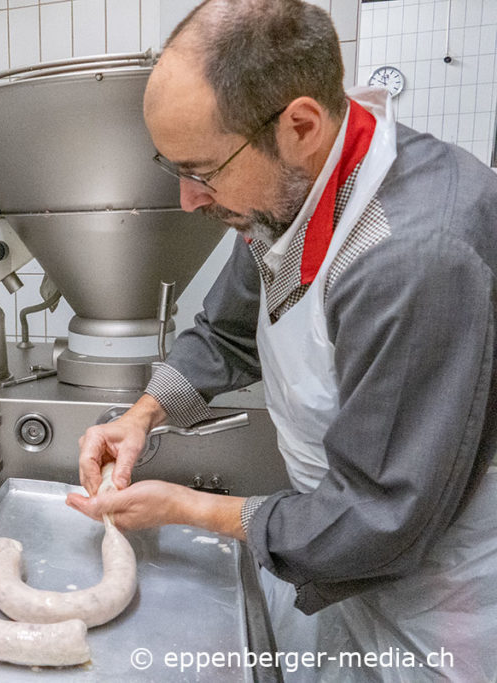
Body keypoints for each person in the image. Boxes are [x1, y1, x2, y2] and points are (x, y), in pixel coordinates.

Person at [65, 0, 497, 680]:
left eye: (203, 170)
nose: (188, 200)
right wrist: (141, 415)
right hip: (334, 557)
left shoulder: (415, 255)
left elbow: (382, 514)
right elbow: (227, 331)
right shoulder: (292, 192)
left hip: (440, 592)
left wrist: (190, 507)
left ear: (300, 124)